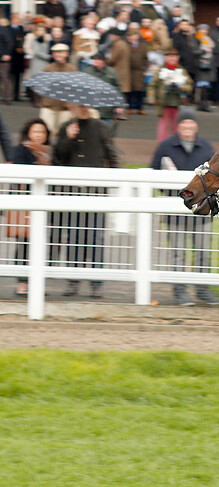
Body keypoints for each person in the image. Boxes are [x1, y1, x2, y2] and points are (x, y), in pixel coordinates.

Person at [151, 109, 219, 306]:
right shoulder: (165, 147)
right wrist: (174, 195)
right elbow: (154, 175)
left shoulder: (206, 147)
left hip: (201, 210)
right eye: (184, 124)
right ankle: (180, 291)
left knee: (202, 252)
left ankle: (202, 289)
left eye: (191, 124)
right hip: (176, 211)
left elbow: (215, 176)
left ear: (196, 126)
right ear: (178, 126)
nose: (188, 127)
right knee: (178, 253)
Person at [53, 103, 120, 298]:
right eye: (79, 106)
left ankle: (96, 282)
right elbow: (58, 156)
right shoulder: (66, 127)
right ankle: (73, 281)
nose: (83, 109)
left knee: (95, 238)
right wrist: (69, 138)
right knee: (74, 238)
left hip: (96, 193)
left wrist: (114, 181)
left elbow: (112, 156)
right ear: (73, 108)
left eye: (86, 106)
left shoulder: (101, 127)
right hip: (72, 193)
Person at [9, 118, 50, 296]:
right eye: (36, 131)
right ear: (28, 133)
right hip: (25, 204)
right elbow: (18, 175)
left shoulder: (49, 153)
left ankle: (37, 282)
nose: (39, 135)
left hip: (45, 204)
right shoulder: (21, 151)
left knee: (43, 244)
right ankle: (22, 282)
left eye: (42, 132)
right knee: (24, 243)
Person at [148, 49, 193, 142]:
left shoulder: (182, 71)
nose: (172, 59)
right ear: (165, 58)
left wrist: (183, 87)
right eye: (170, 56)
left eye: (174, 56)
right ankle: (163, 144)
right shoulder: (160, 70)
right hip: (163, 101)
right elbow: (152, 85)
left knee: (177, 124)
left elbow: (190, 85)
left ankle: (176, 143)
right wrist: (151, 97)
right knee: (163, 125)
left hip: (178, 102)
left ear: (178, 58)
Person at [39, 43, 75, 133]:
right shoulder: (48, 68)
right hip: (48, 105)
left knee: (63, 134)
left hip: (65, 107)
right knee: (45, 131)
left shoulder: (72, 70)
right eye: (55, 52)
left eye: (60, 52)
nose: (57, 54)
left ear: (66, 54)